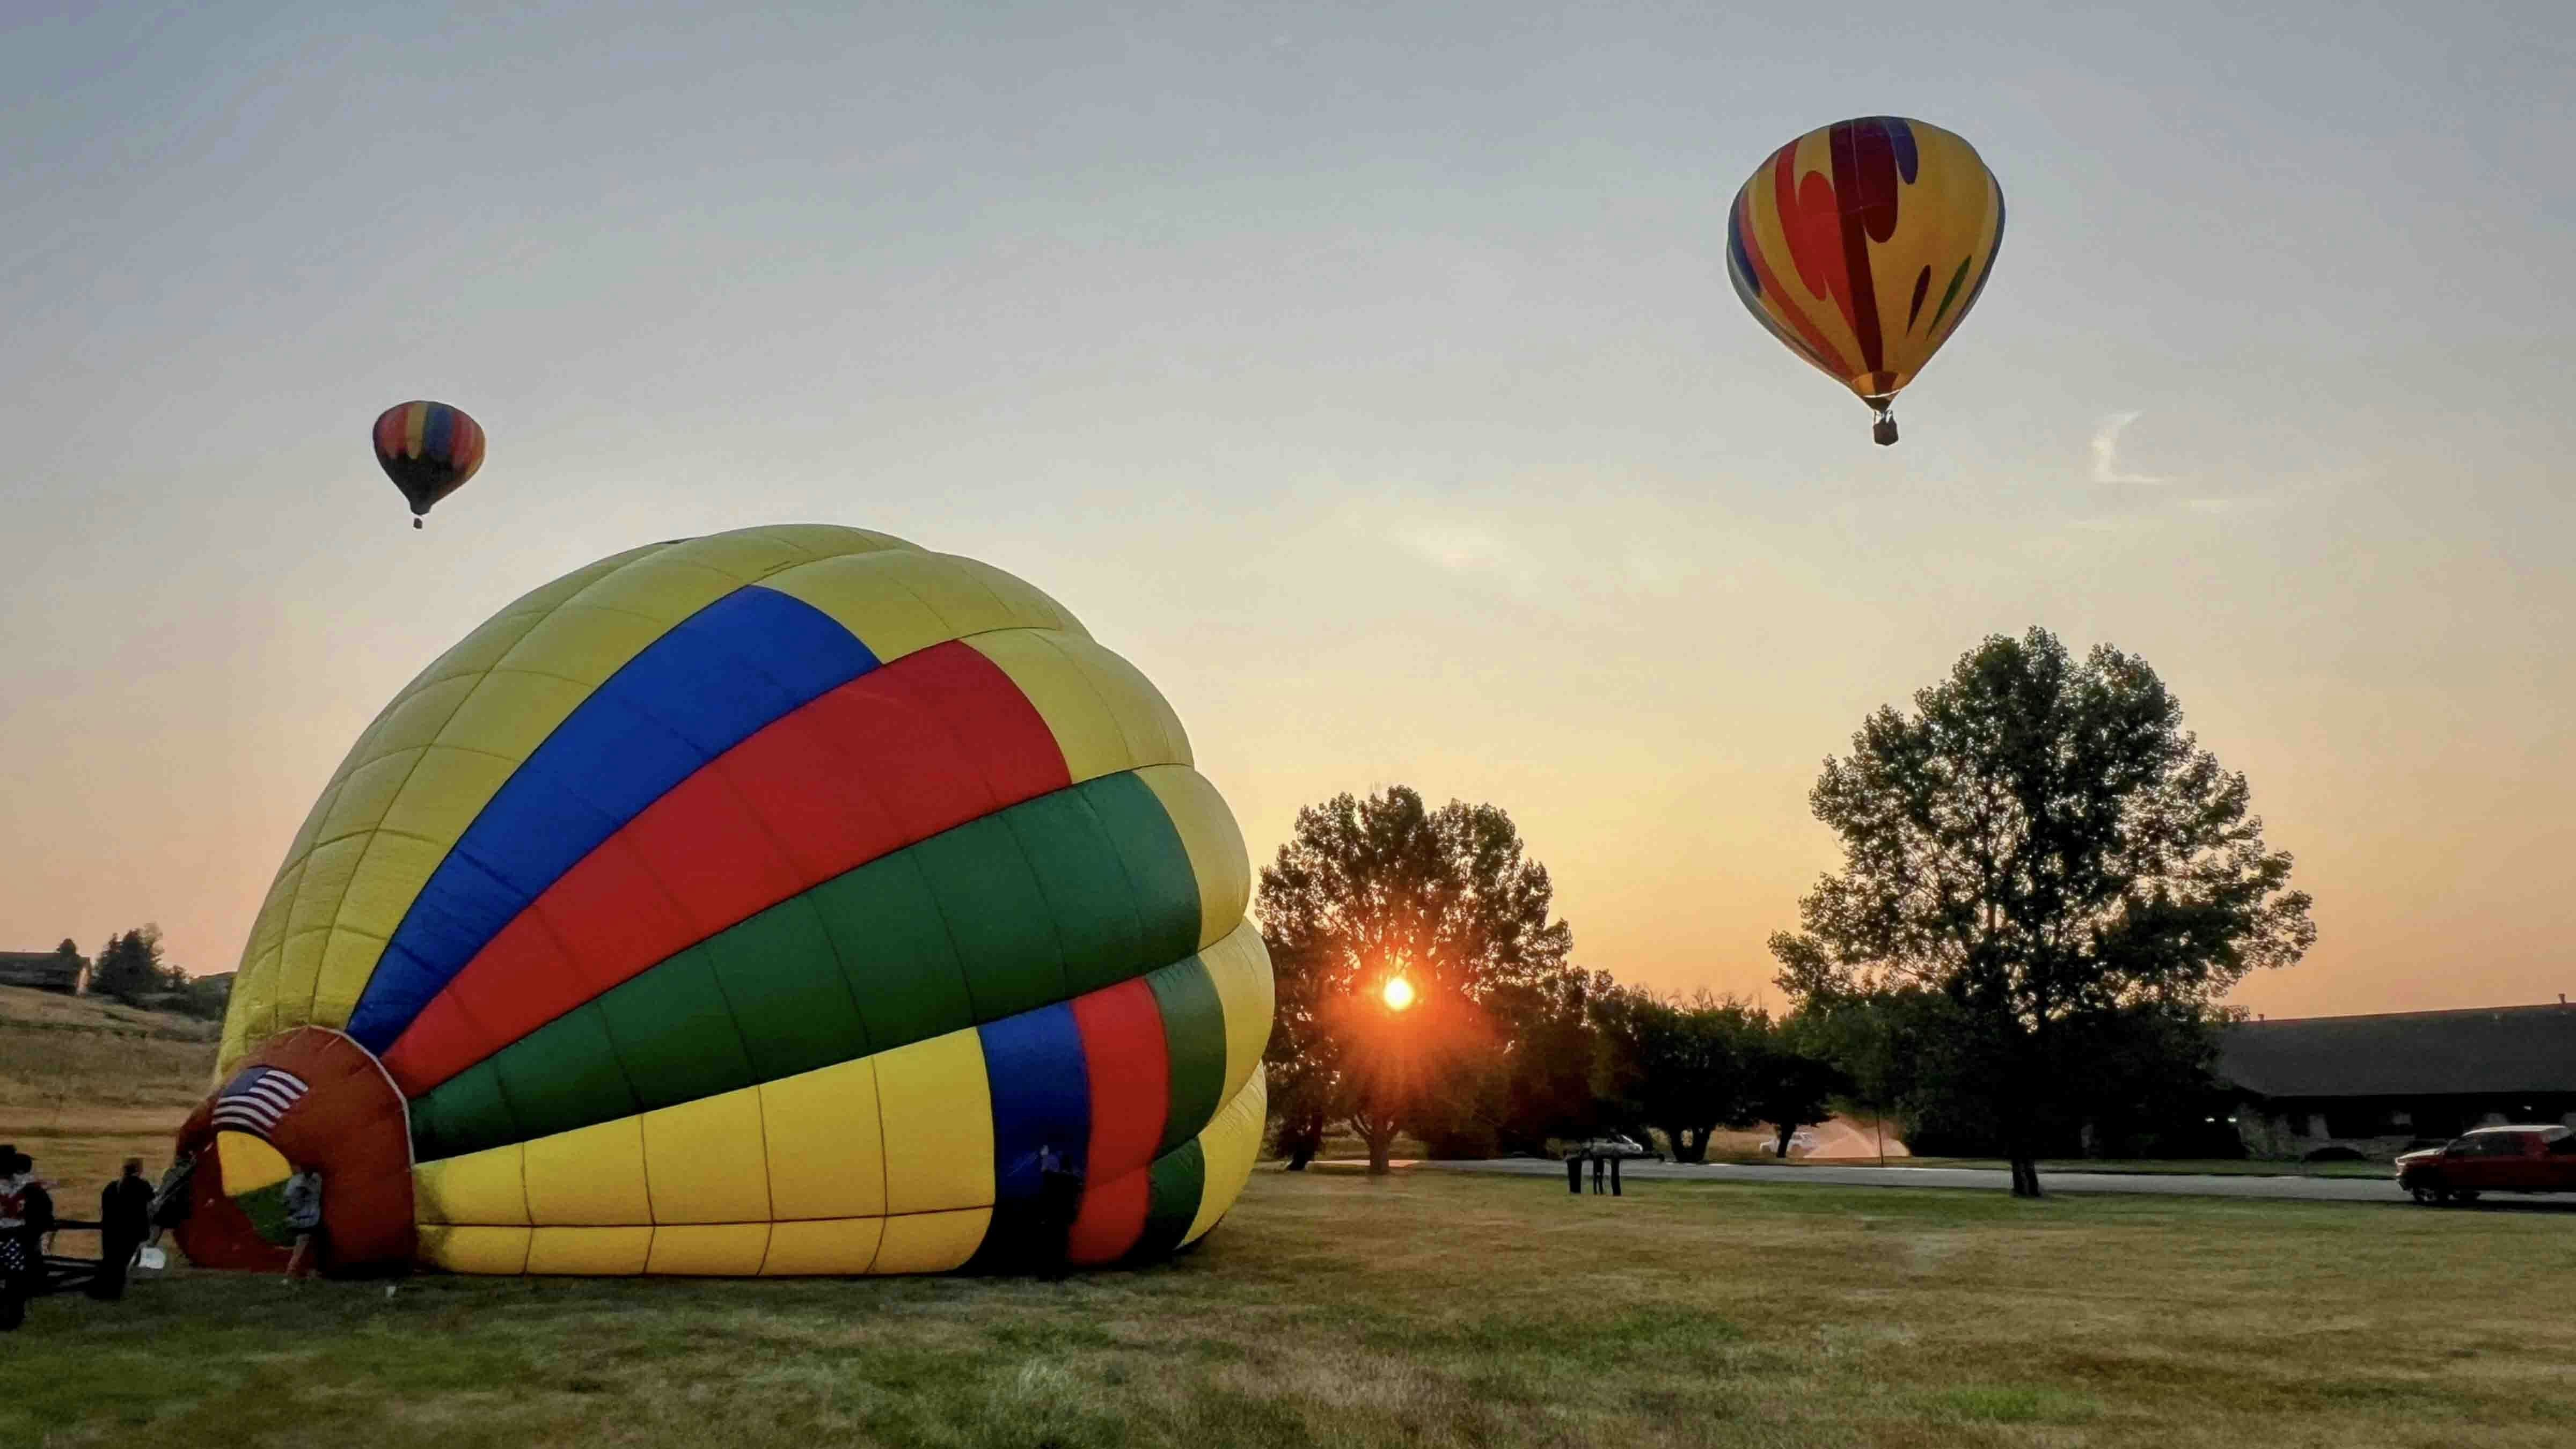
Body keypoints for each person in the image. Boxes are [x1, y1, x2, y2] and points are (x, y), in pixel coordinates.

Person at [91, 1159, 156, 1301]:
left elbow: (105, 1207)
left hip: (112, 1230)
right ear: (139, 1170)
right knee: (121, 1262)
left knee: (111, 1260)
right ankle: (112, 1293)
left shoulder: (112, 1186)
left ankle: (100, 1290)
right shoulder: (142, 1185)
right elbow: (151, 1202)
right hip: (132, 1231)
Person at [1032, 1144, 1083, 1280]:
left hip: (1051, 1217)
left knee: (1047, 1246)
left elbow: (1045, 1172)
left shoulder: (1054, 1179)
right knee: (1061, 1247)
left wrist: (1044, 1156)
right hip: (1063, 1218)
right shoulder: (1073, 1180)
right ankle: (1060, 1274)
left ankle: (1046, 1275)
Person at [0, 1149, 30, 1331]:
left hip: (4, 1234)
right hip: (15, 1237)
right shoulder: (23, 1185)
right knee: (16, 1280)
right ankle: (14, 1317)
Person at [282, 1165, 325, 1282]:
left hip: (304, 1220)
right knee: (302, 1247)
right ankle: (290, 1273)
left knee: (312, 1246)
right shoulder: (305, 1181)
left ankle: (310, 1272)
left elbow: (287, 1201)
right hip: (306, 1221)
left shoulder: (296, 1181)